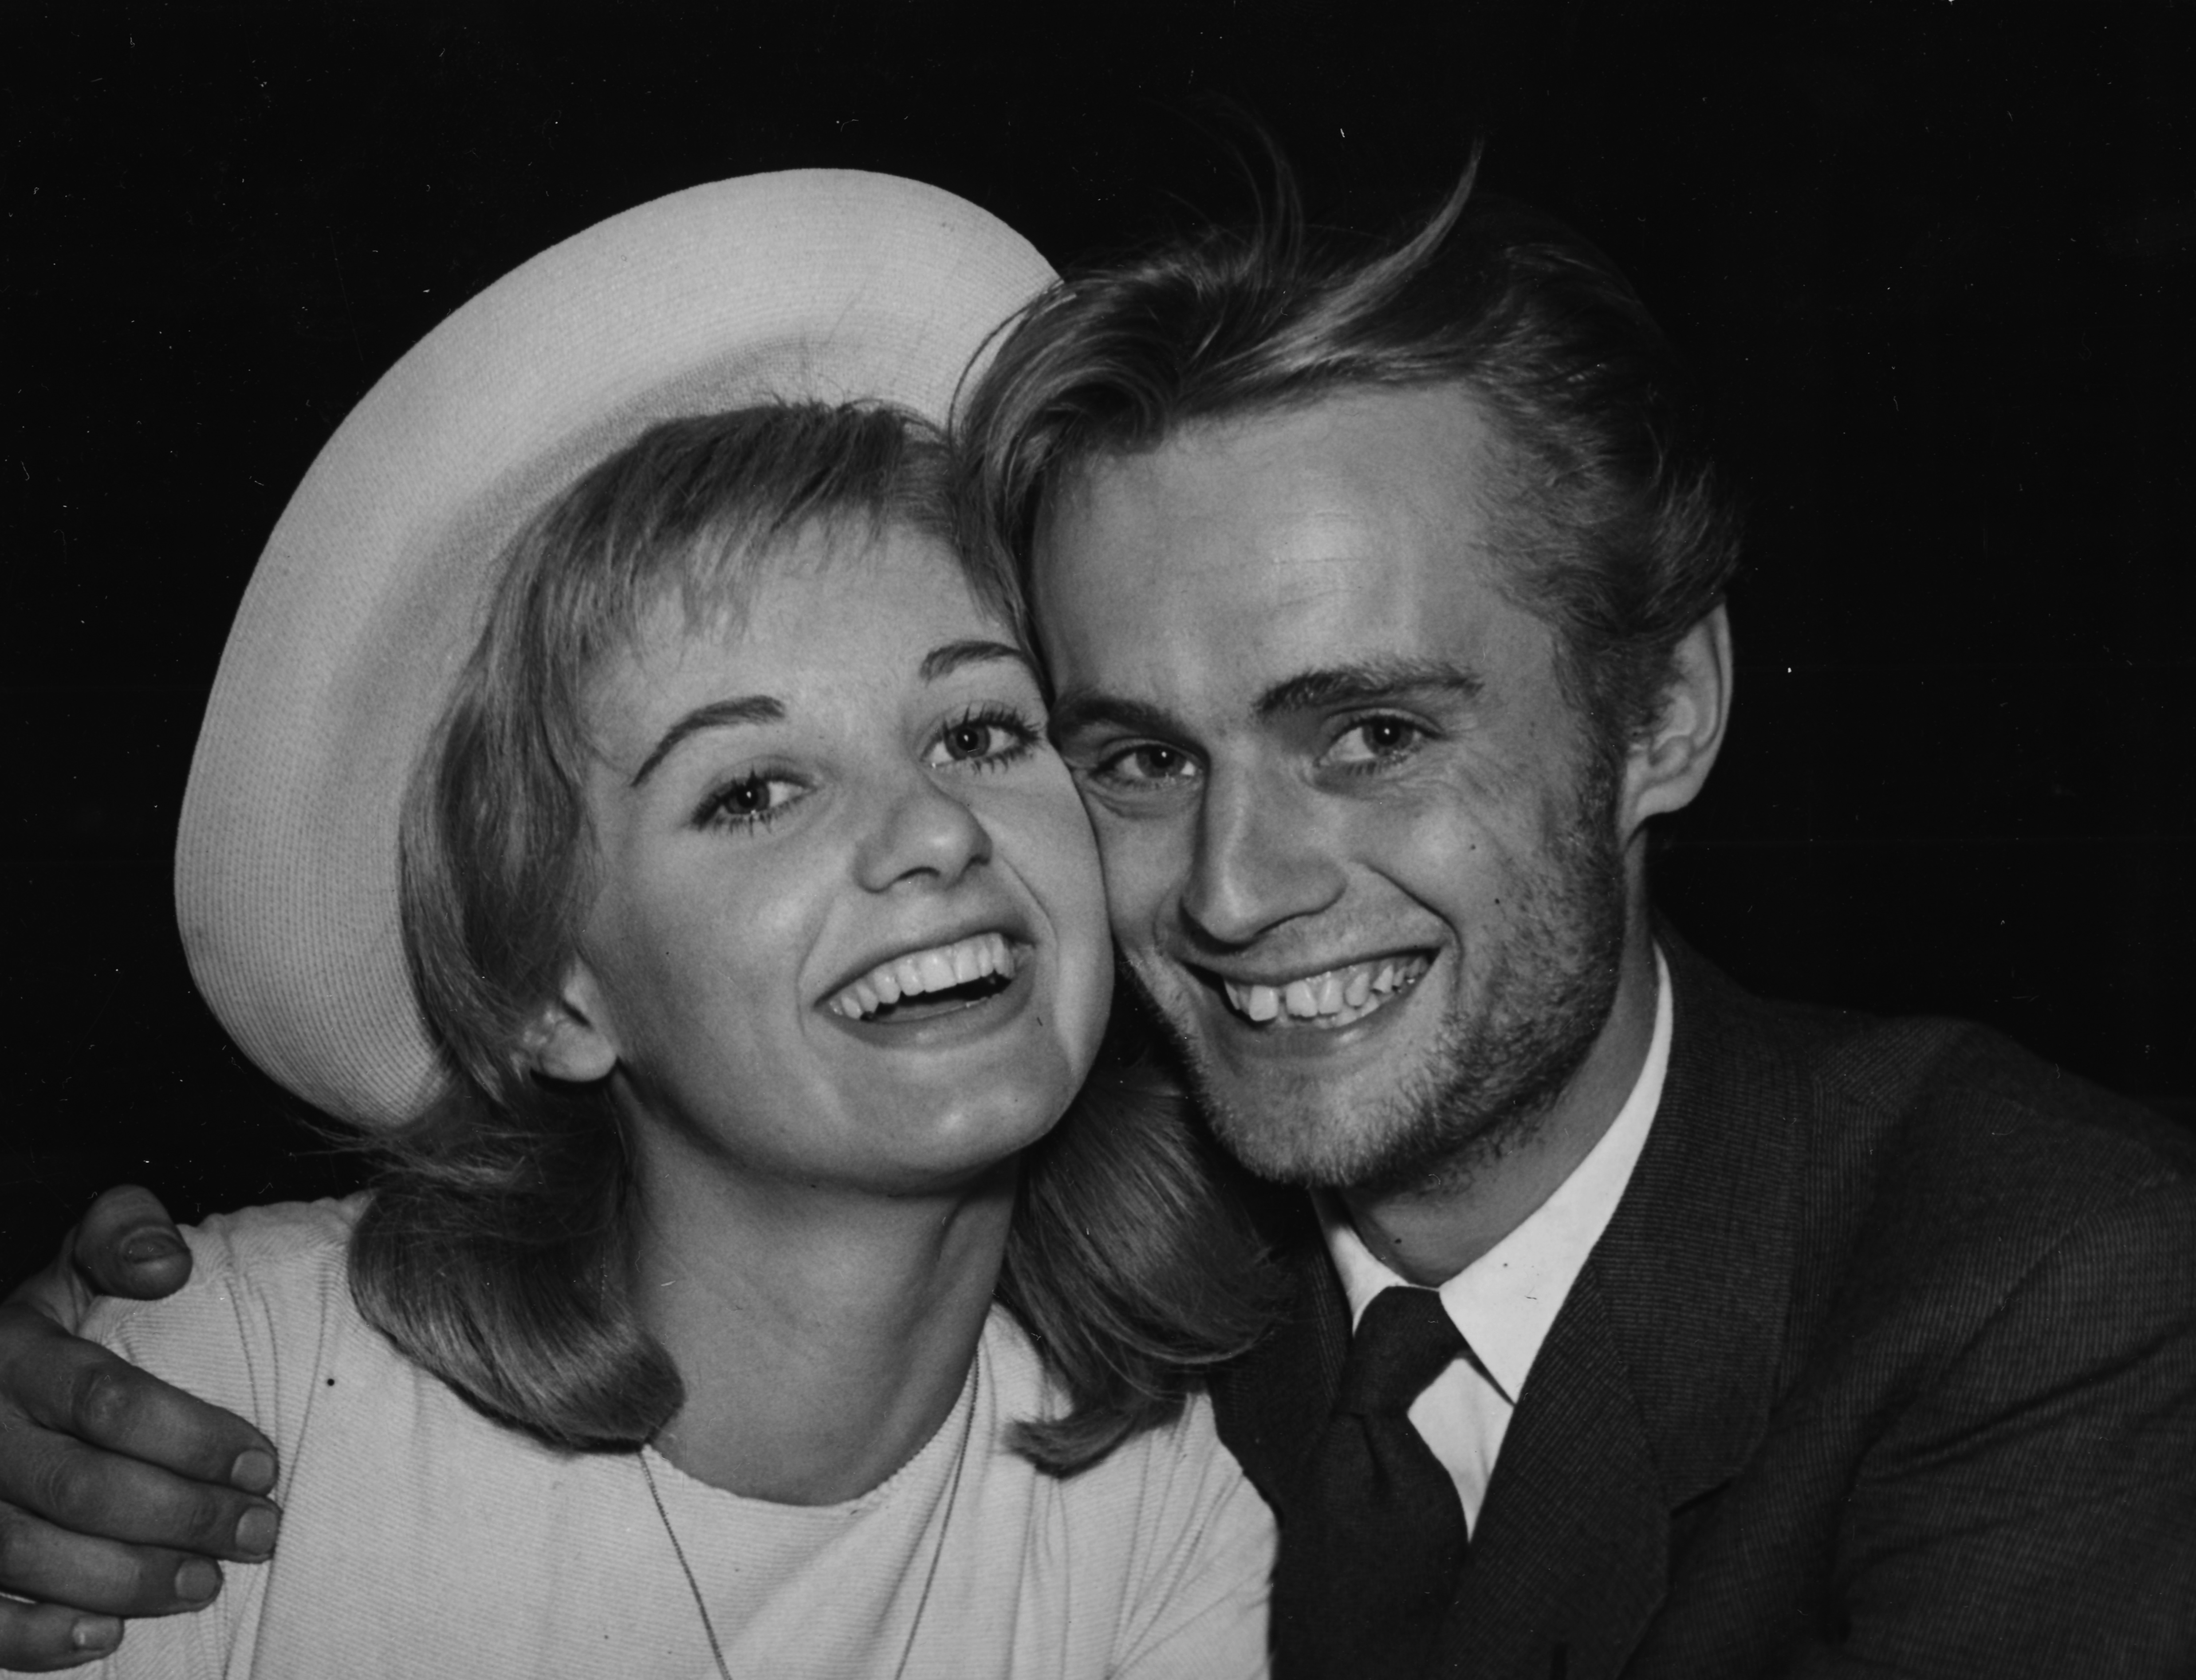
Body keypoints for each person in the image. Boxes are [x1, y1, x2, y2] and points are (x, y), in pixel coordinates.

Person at [9, 163, 2196, 1676]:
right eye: (1135, 753)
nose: (1233, 892)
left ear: (1662, 714)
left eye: (1366, 732)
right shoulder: (1143, 1308)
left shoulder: (2045, 1292)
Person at [0, 172, 1277, 1678]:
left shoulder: (1158, 1511)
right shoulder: (221, 1402)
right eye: (752, 791)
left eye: (983, 730)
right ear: (554, 991)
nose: (937, 829)